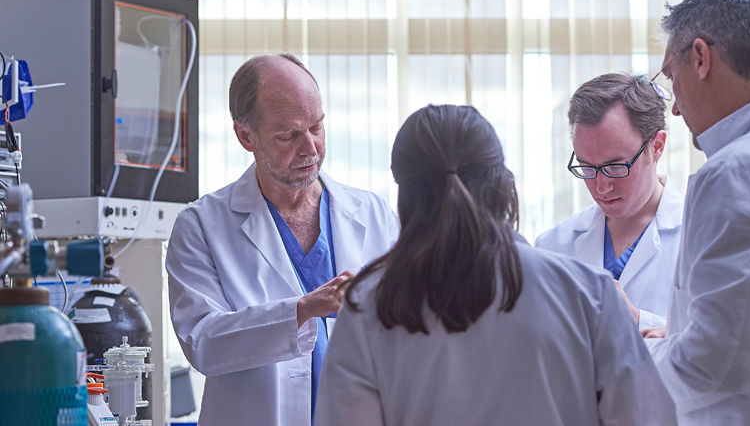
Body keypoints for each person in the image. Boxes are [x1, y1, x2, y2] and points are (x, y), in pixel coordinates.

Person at [314, 104, 676, 426]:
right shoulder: (585, 292)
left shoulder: (368, 305)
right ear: (504, 183)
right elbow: (643, 416)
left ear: (405, 193)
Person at [166, 54, 399, 425]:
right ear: (246, 136)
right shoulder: (201, 226)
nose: (310, 149)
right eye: (289, 135)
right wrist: (302, 310)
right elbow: (202, 342)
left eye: (317, 128)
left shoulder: (373, 215)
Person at [642, 0, 750, 424]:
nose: (676, 109)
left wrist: (634, 351)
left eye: (670, 77)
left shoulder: (739, 171)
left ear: (700, 58)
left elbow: (716, 361)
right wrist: (679, 334)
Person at [535, 73, 683, 329]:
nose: (602, 186)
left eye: (616, 166)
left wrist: (637, 321)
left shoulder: (700, 236)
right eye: (587, 167)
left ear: (656, 146)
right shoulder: (552, 247)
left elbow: (727, 345)